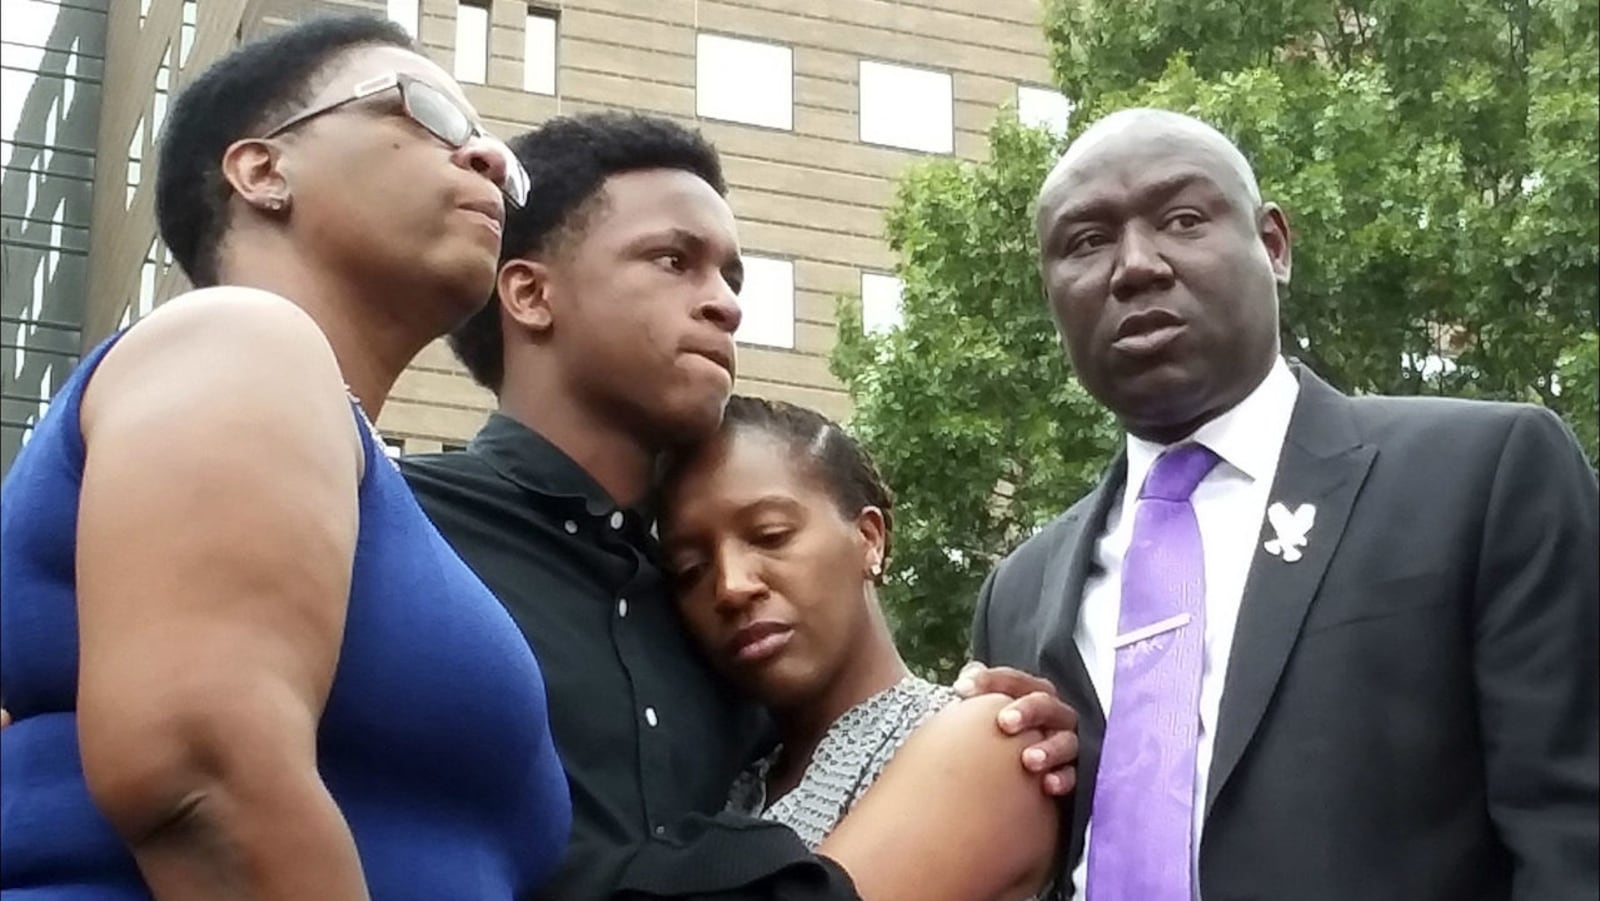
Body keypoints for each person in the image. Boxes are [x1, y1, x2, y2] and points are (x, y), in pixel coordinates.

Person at [400, 111, 1079, 899]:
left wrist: (985, 735)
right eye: (673, 261)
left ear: (871, 538)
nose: (724, 304)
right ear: (529, 291)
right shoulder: (400, 535)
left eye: (731, 276)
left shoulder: (726, 648)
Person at [0, 15, 571, 900]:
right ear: (263, 170)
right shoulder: (238, 336)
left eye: (497, 147)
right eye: (428, 114)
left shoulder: (360, 477)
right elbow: (205, 772)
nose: (491, 158)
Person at [970, 107, 1600, 901]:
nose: (1134, 265)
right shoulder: (1019, 592)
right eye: (1086, 242)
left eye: (1184, 219)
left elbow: (1575, 835)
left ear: (1274, 244)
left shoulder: (1484, 476)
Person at [658, 394, 1058, 900]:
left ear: (870, 538)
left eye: (770, 535)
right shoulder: (730, 785)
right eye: (691, 570)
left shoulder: (992, 737)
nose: (731, 587)